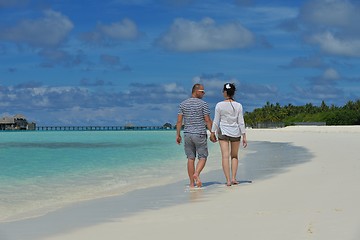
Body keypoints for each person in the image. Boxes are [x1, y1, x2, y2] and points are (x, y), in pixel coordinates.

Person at [176, 83, 214, 188]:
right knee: (203, 157)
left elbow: (179, 122)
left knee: (190, 158)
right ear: (196, 91)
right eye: (202, 91)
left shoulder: (182, 104)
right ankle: (196, 173)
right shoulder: (203, 104)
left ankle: (192, 184)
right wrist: (212, 132)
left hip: (187, 134)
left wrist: (178, 135)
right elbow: (207, 120)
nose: (204, 93)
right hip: (200, 133)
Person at [210, 83, 247, 186]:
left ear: (225, 92)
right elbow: (241, 122)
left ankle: (228, 180)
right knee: (234, 156)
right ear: (234, 92)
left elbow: (216, 121)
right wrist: (244, 135)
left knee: (225, 156)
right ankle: (234, 178)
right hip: (236, 132)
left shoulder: (219, 105)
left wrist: (212, 132)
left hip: (223, 132)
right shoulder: (238, 105)